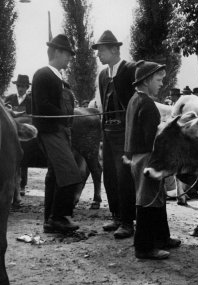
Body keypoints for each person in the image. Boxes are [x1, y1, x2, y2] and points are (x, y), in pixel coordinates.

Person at [124, 60, 181, 259]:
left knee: (158, 199)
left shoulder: (135, 99)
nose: (161, 84)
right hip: (148, 157)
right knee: (148, 202)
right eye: (158, 80)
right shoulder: (147, 103)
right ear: (147, 81)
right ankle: (144, 248)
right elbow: (152, 139)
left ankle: (162, 237)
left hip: (137, 157)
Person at [32, 34, 82, 233]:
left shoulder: (57, 77)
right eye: (67, 54)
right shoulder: (43, 74)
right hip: (50, 131)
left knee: (54, 175)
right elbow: (42, 105)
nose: (69, 58)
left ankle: (49, 220)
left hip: (59, 130)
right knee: (70, 172)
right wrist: (64, 115)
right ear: (57, 52)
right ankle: (59, 217)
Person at [92, 30, 136, 239]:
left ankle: (128, 222)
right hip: (108, 132)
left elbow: (137, 103)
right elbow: (102, 102)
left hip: (125, 132)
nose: (98, 54)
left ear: (115, 50)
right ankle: (117, 216)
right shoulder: (102, 75)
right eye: (98, 50)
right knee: (109, 175)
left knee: (124, 176)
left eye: (101, 50)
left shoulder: (130, 70)